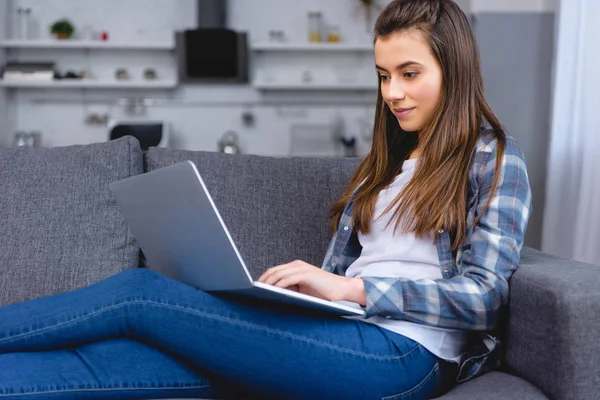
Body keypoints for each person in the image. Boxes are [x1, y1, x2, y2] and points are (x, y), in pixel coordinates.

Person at [0, 0, 532, 399]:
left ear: (453, 70)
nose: (392, 92)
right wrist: (300, 297)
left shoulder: (494, 158)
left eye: (410, 74)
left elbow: (483, 297)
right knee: (126, 356)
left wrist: (350, 289)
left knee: (140, 294)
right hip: (343, 332)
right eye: (384, 76)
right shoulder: (389, 163)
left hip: (407, 355)